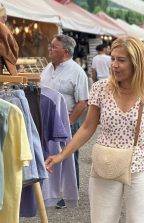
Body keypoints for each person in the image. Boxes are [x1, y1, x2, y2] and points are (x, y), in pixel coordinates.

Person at [45, 37, 144, 223]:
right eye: (113, 58)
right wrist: (62, 155)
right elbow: (87, 127)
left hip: (139, 166)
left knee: (140, 220)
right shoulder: (100, 89)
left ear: (137, 63)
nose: (114, 65)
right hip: (105, 165)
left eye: (121, 60)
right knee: (102, 219)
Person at [41, 34, 89, 207]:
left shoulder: (76, 71)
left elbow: (83, 102)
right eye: (51, 45)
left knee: (69, 155)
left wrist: (68, 122)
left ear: (66, 52)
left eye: (54, 47)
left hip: (67, 121)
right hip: (47, 121)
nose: (50, 49)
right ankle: (50, 191)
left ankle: (70, 193)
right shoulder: (48, 68)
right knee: (49, 154)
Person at [0, 3, 18, 76]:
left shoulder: (3, 29)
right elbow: (14, 48)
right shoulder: (3, 28)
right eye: (4, 17)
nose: (6, 18)